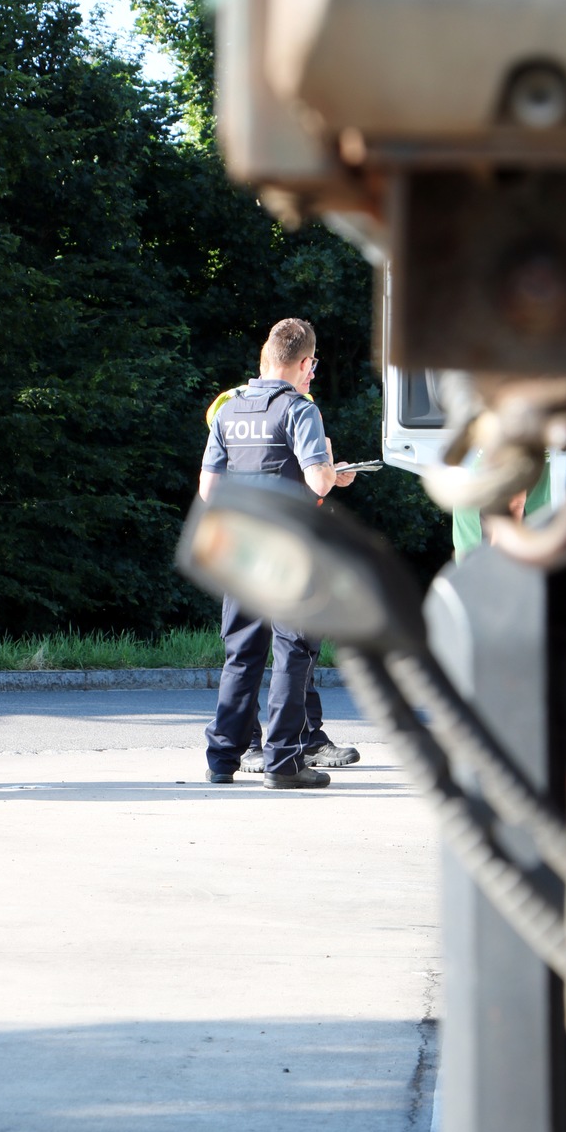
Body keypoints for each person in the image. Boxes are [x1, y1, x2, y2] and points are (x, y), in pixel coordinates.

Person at [198, 317, 356, 790]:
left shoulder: (229, 409)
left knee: (241, 653)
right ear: (304, 362)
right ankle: (283, 763)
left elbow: (209, 489)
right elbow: (317, 481)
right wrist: (333, 468)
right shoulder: (300, 410)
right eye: (314, 365)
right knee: (293, 652)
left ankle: (222, 760)